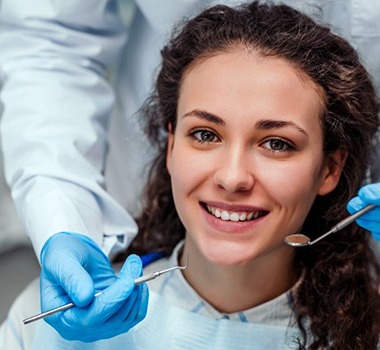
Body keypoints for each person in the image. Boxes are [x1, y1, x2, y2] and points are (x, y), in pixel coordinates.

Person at [1, 2, 380, 349]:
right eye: (204, 134)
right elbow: (51, 42)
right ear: (169, 146)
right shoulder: (42, 324)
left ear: (330, 168)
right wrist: (62, 216)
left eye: (277, 144)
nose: (232, 178)